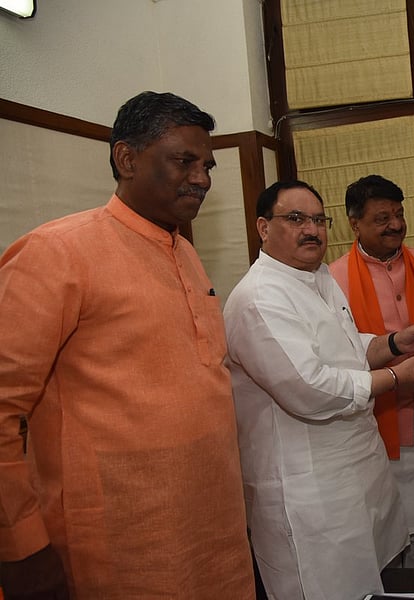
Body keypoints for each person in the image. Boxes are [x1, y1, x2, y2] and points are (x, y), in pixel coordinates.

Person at [0, 91, 255, 599]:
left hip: (214, 531)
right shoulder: (56, 252)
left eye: (207, 166)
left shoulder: (184, 252)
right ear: (127, 158)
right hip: (121, 542)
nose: (202, 178)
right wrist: (21, 547)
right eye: (184, 161)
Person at [224, 180, 414, 600]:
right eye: (296, 219)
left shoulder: (318, 275)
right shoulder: (258, 297)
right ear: (263, 228)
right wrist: (397, 378)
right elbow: (309, 388)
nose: (312, 230)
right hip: (308, 492)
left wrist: (395, 343)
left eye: (318, 220)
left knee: (373, 585)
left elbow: (345, 347)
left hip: (356, 475)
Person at [329, 174, 414, 568]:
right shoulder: (333, 279)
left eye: (399, 215)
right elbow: (335, 355)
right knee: (381, 539)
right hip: (372, 426)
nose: (395, 225)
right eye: (382, 218)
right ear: (354, 223)